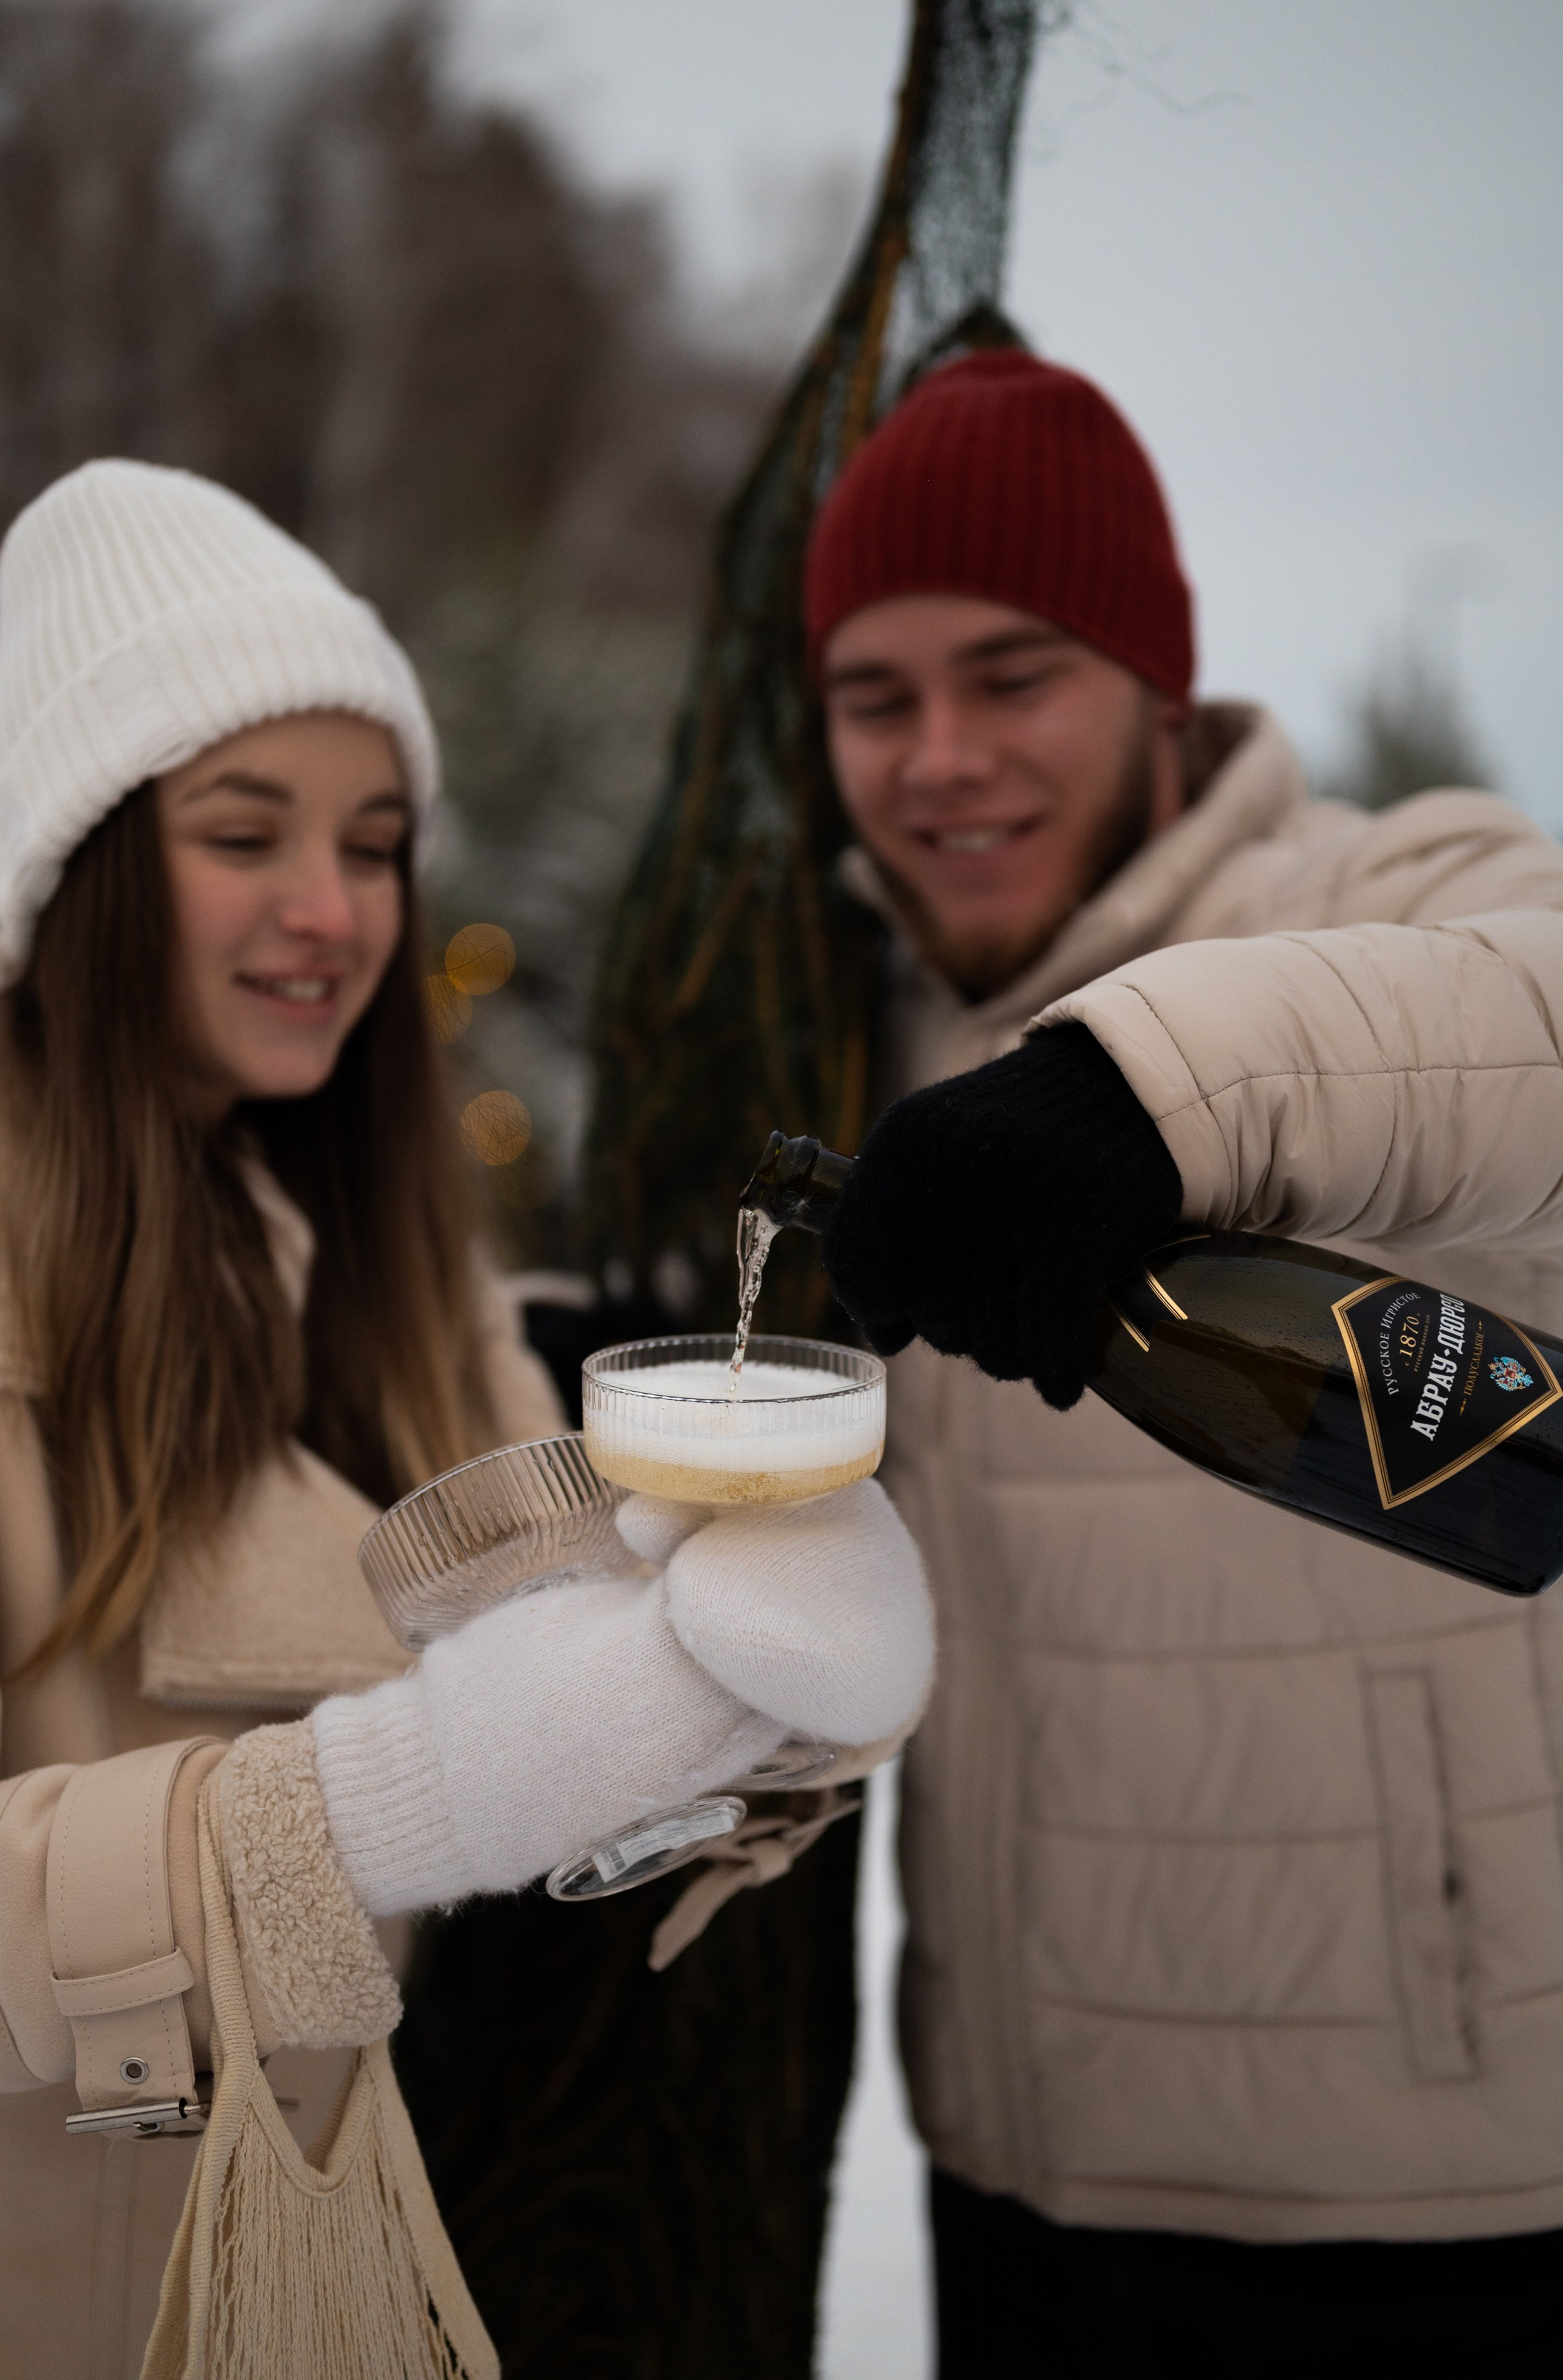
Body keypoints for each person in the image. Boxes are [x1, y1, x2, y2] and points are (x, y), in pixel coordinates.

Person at [0, 457, 933, 2378]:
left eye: (379, 840)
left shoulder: (355, 1234)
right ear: (86, 863)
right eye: (243, 832)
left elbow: (575, 1631)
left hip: (307, 2261)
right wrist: (385, 1803)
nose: (332, 909)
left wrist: (775, 1679)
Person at [799, 349, 1563, 2378]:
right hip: (1022, 2181)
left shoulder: (1374, 897)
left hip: (1431, 2198)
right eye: (877, 697)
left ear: (1158, 686)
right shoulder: (839, 1021)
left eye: (1014, 676)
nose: (942, 757)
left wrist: (1150, 1091)